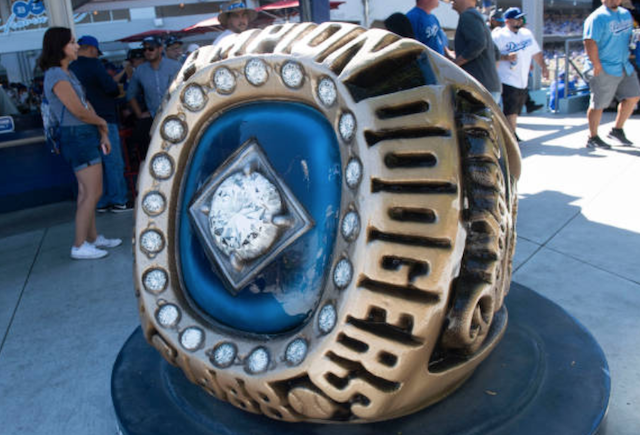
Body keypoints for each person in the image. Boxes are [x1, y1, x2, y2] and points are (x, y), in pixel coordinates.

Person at [39, 27, 122, 260]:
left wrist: (100, 127)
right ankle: (79, 245)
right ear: (60, 46)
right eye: (72, 42)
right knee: (92, 193)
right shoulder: (56, 75)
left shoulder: (67, 73)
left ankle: (92, 238)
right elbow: (77, 110)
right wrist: (102, 123)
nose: (76, 46)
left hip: (84, 133)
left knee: (88, 192)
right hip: (77, 135)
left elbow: (85, 105)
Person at [70, 35, 131, 213]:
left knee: (95, 165)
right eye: (96, 51)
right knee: (112, 162)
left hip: (82, 122)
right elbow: (111, 88)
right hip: (104, 120)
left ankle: (101, 202)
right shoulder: (95, 64)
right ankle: (119, 200)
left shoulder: (71, 68)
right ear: (91, 49)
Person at [583, 0, 640, 148]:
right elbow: (589, 41)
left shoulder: (626, 14)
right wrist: (595, 64)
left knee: (633, 96)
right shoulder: (597, 17)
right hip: (603, 66)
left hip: (623, 64)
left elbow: (628, 35)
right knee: (598, 104)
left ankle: (617, 130)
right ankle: (592, 137)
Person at [492, 7, 549, 138]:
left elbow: (536, 52)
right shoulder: (498, 35)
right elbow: (490, 54)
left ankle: (511, 133)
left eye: (520, 18)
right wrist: (505, 57)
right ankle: (511, 136)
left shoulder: (526, 33)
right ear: (507, 21)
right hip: (506, 78)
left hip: (522, 79)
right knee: (510, 110)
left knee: (516, 110)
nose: (520, 21)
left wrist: (544, 67)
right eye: (516, 19)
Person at [451, 0, 502, 104]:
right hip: (489, 87)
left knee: (470, 120)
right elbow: (496, 52)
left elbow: (478, 44)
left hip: (478, 90)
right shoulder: (476, 16)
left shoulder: (468, 15)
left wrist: (454, 64)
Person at [126, 35, 181, 123]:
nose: (147, 52)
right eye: (145, 49)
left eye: (151, 48)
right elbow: (130, 94)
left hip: (177, 113)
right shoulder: (140, 70)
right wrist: (139, 114)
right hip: (154, 118)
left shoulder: (175, 66)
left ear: (160, 49)